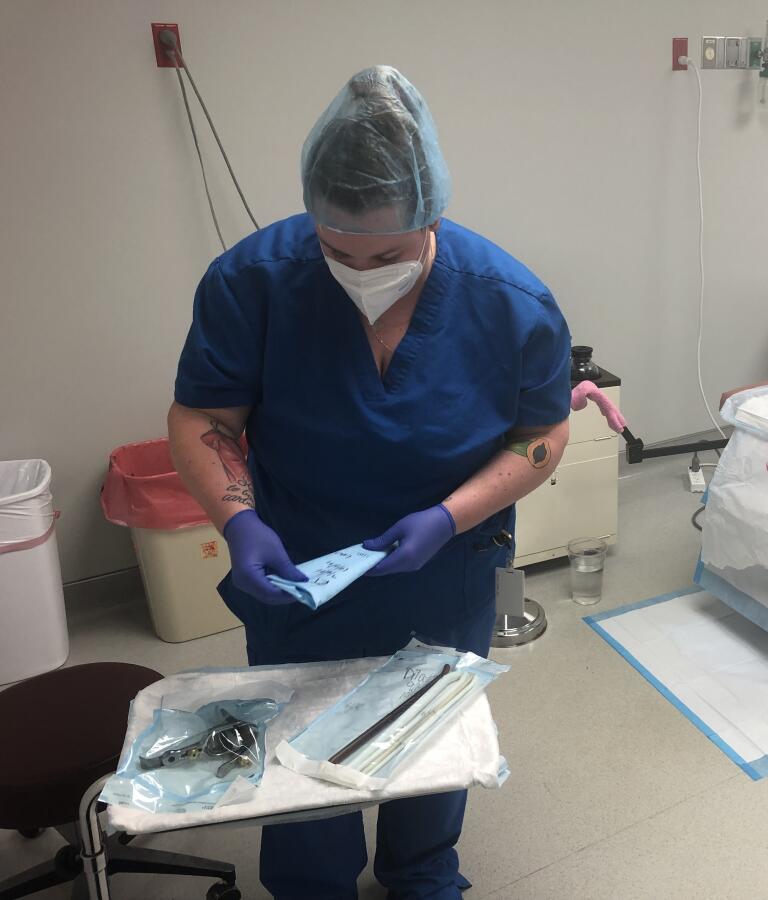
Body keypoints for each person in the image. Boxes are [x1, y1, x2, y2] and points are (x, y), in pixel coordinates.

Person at [168, 65, 571, 900]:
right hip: (296, 569)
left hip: (444, 565)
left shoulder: (511, 302)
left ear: (433, 217)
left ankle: (423, 872)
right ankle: (314, 885)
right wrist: (239, 522)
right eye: (336, 249)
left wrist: (449, 516)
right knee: (305, 748)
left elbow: (545, 435)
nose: (359, 269)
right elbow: (201, 417)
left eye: (387, 254)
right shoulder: (252, 282)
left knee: (426, 734)